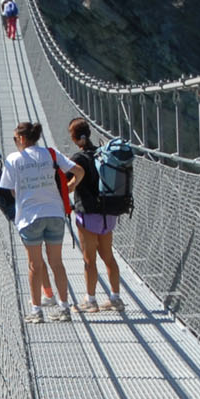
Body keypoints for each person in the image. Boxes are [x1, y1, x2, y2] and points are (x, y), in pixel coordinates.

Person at [0, 121, 77, 322]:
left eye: (15, 139)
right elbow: (79, 171)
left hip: (29, 217)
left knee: (34, 265)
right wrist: (70, 187)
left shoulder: (13, 159)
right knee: (57, 263)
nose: (15, 142)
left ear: (22, 138)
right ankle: (64, 308)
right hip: (55, 213)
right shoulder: (51, 153)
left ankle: (36, 311)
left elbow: (9, 189)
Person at [67, 117, 121, 314]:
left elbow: (66, 184)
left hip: (88, 215)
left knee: (89, 260)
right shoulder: (103, 154)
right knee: (108, 256)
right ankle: (115, 299)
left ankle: (90, 300)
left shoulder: (78, 158)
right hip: (108, 214)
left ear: (75, 138)